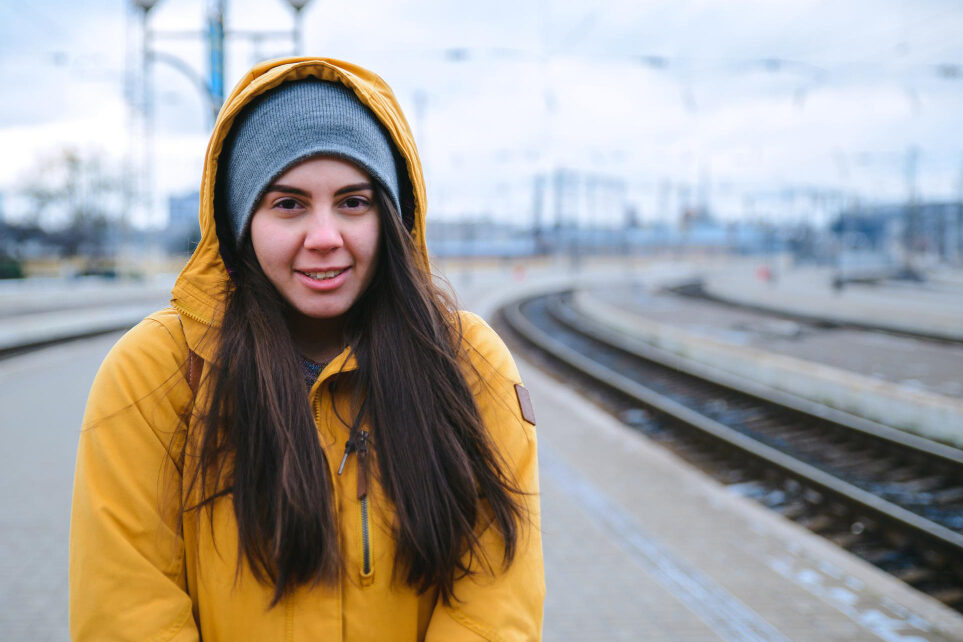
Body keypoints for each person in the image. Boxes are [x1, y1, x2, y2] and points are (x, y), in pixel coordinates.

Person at [69, 57, 544, 640]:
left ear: (392, 217)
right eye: (288, 204)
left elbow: (493, 604)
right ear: (240, 221)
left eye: (354, 202)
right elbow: (127, 609)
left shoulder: (469, 364)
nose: (325, 238)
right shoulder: (157, 370)